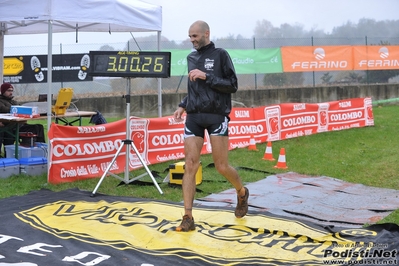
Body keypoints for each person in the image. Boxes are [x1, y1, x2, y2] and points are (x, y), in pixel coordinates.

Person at [173, 20, 249, 232]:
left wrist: (208, 76)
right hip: (194, 116)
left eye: (195, 36)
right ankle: (187, 216)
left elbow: (232, 85)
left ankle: (241, 192)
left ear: (206, 33)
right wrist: (182, 106)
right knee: (190, 164)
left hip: (216, 116)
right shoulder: (191, 57)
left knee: (221, 166)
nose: (192, 40)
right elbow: (193, 88)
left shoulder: (221, 55)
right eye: (190, 36)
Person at [0, 83, 45, 155]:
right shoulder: (1, 102)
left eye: (12, 90)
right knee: (35, 128)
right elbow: (6, 109)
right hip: (11, 127)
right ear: (3, 91)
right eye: (9, 90)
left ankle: (41, 150)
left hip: (20, 125)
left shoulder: (13, 101)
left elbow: (21, 109)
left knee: (39, 127)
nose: (11, 92)